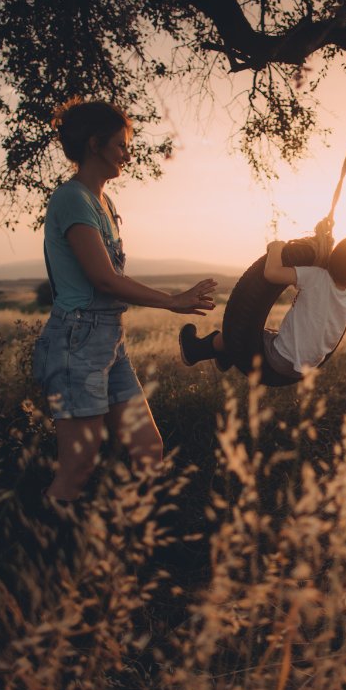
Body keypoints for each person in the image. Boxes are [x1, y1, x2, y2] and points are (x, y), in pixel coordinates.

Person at [33, 98, 217, 501]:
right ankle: (42, 545)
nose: (127, 154)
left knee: (148, 449)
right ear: (95, 145)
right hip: (76, 341)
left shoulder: (104, 202)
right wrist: (173, 301)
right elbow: (104, 279)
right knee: (78, 468)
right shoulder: (72, 199)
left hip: (109, 343)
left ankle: (137, 537)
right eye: (120, 145)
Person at [178, 232, 346, 379]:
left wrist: (276, 247)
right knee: (269, 333)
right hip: (307, 367)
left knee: (239, 332)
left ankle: (195, 350)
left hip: (280, 359)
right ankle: (226, 355)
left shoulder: (315, 276)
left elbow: (272, 274)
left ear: (333, 256)